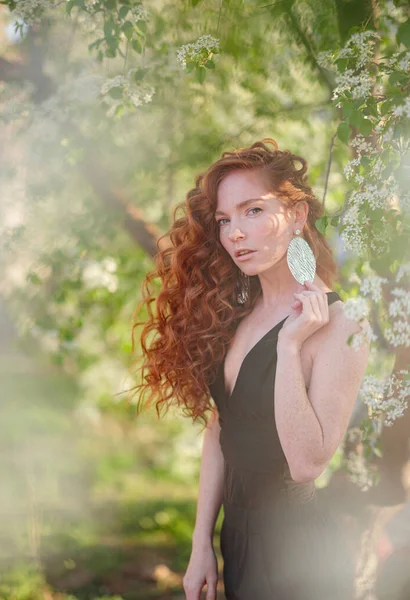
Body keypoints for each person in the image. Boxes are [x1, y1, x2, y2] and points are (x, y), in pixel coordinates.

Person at [130, 139, 371, 599]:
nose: (235, 233)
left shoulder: (341, 326)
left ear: (297, 216)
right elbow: (223, 428)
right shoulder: (240, 313)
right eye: (225, 220)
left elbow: (305, 464)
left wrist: (289, 343)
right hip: (236, 539)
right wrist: (202, 542)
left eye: (253, 211)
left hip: (300, 556)